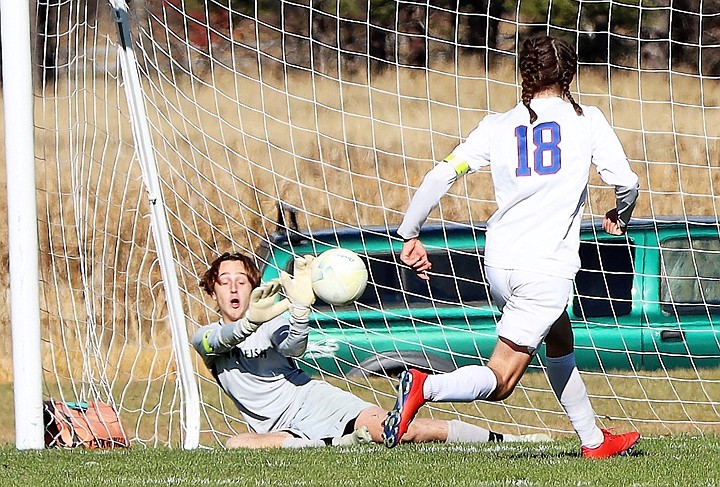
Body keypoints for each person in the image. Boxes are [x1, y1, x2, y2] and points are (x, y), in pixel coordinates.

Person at [383, 35, 641, 459]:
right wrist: (621, 213)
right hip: (544, 270)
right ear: (571, 75)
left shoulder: (497, 126)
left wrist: (410, 234)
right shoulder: (587, 120)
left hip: (500, 265)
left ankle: (594, 441)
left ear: (524, 74)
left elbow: (440, 176)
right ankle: (426, 385)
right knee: (501, 381)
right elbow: (627, 182)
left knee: (559, 336)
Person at [192, 251, 552, 448]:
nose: (234, 288)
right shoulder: (205, 335)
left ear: (253, 285)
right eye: (225, 282)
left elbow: (294, 346)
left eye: (242, 280)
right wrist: (248, 323)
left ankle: (505, 439)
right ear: (213, 291)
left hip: (313, 401)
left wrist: (299, 312)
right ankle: (339, 442)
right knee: (239, 444)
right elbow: (219, 341)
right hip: (276, 429)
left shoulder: (269, 319)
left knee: (396, 431)